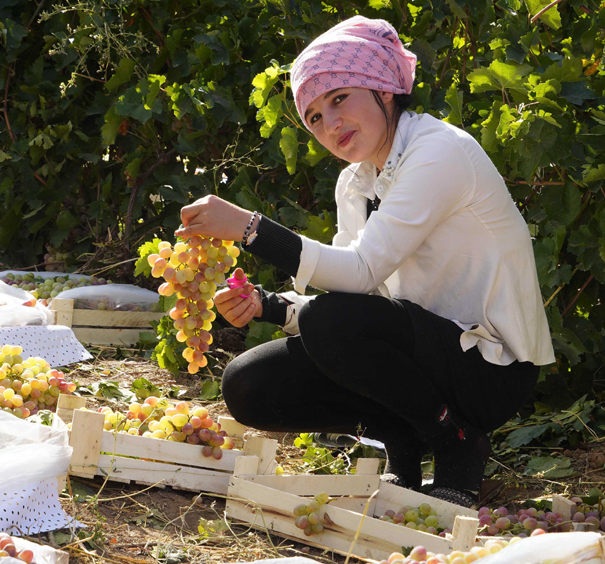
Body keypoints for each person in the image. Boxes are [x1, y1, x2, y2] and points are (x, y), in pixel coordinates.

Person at [174, 16, 555, 507]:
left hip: (487, 370)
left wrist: (251, 230)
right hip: (423, 352)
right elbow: (356, 297)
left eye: (338, 98)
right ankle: (404, 441)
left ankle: (457, 444)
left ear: (384, 89)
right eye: (313, 117)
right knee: (249, 384)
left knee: (329, 322)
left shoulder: (438, 152)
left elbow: (359, 272)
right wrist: (269, 307)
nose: (329, 124)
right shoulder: (355, 182)